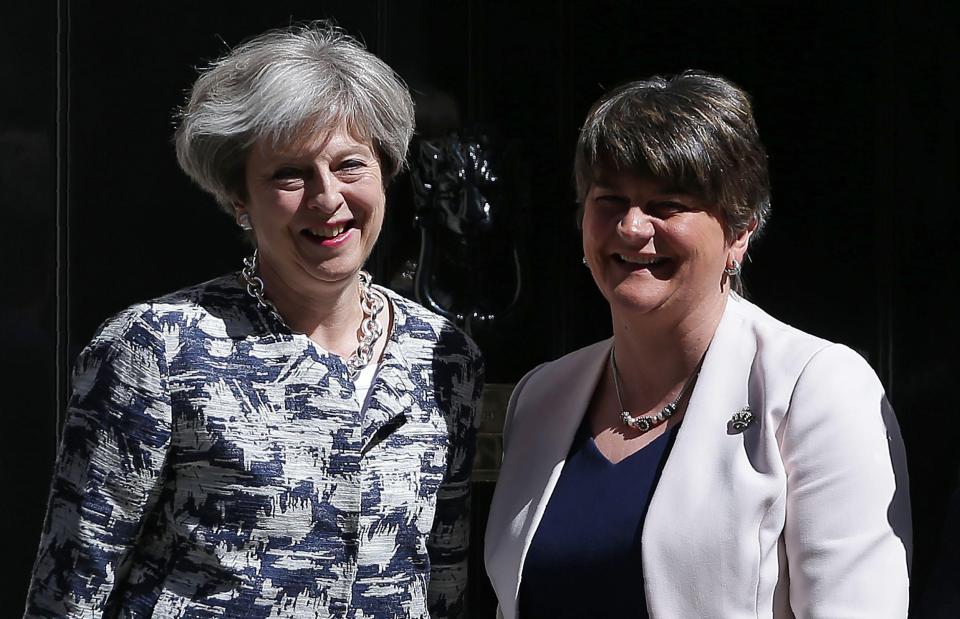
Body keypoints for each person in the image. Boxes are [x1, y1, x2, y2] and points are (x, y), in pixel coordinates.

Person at [25, 22, 483, 618]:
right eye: (288, 174)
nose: (327, 199)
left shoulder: (444, 356)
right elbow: (69, 586)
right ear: (238, 197)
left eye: (350, 166)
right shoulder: (158, 348)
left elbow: (443, 585)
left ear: (386, 171)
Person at [484, 72, 911, 618]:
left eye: (667, 205)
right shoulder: (541, 396)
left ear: (740, 232)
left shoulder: (816, 387)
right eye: (610, 199)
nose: (632, 228)